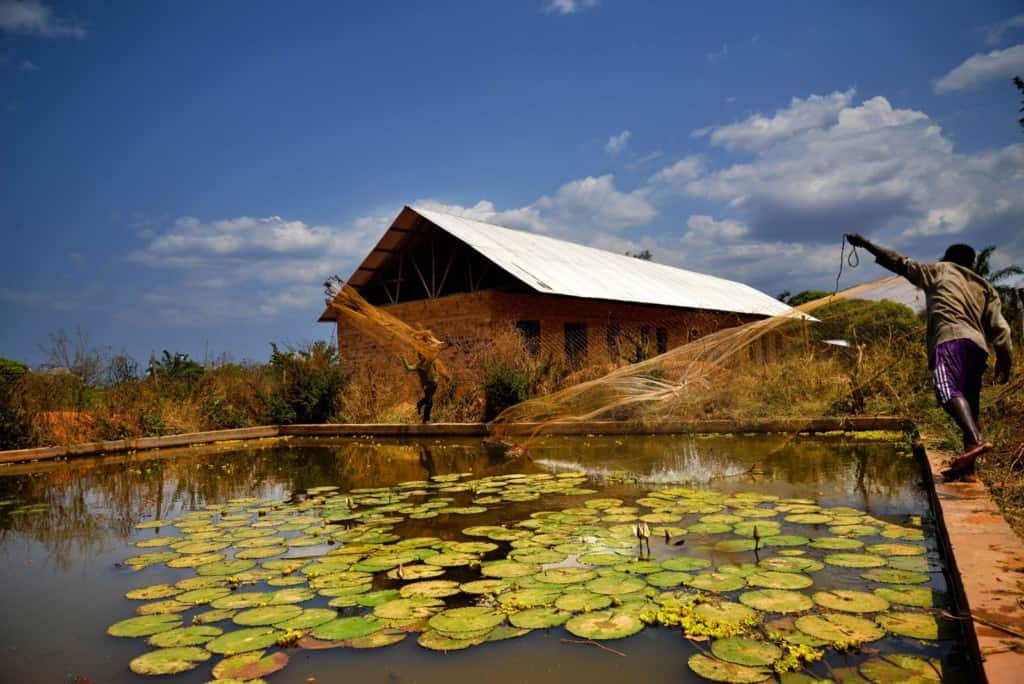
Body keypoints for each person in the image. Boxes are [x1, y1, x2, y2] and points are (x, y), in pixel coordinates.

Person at [845, 234, 1012, 481]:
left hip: (949, 340)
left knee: (947, 391)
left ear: (948, 258)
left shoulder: (941, 271)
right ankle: (969, 472)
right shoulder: (985, 287)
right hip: (978, 348)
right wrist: (1005, 360)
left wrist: (866, 244)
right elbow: (1002, 328)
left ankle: (977, 441)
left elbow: (901, 262)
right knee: (970, 406)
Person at [403, 352, 440, 424]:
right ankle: (426, 420)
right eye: (420, 356)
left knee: (427, 399)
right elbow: (409, 368)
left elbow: (434, 355)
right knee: (429, 402)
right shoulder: (419, 366)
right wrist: (403, 358)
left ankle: (419, 403)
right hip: (427, 386)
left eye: (423, 355)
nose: (422, 357)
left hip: (434, 385)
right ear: (419, 357)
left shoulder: (430, 362)